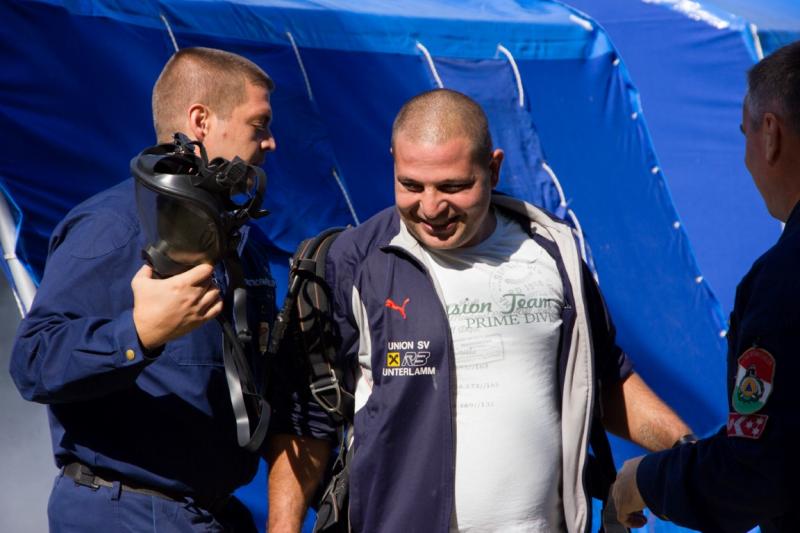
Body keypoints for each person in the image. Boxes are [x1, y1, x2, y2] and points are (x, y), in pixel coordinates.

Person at [267, 88, 693, 533]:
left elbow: (605, 379)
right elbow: (305, 419)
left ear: (493, 168)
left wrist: (688, 453)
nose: (431, 207)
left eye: (453, 186)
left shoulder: (555, 254)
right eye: (411, 185)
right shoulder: (352, 263)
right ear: (393, 161)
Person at [9, 47, 277, 532]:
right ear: (201, 121)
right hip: (127, 511)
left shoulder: (239, 242)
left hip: (212, 513)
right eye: (258, 126)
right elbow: (33, 361)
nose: (270, 143)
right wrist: (138, 334)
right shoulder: (115, 226)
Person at [611, 41, 800, 532]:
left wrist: (646, 479)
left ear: (771, 134)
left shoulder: (784, 281)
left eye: (745, 134)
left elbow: (754, 472)